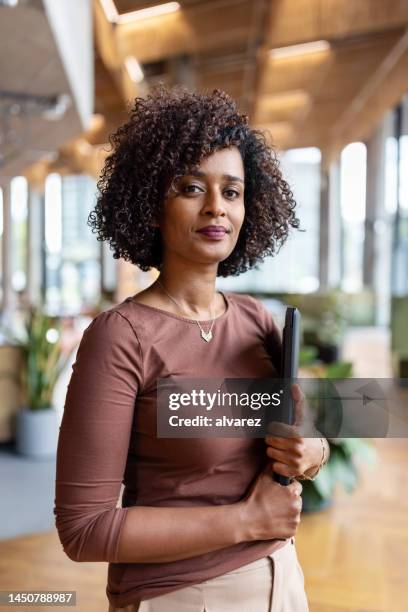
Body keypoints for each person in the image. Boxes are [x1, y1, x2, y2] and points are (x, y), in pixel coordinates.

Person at [54, 85, 329, 612]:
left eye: (232, 191)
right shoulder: (121, 336)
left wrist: (312, 452)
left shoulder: (255, 318)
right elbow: (83, 529)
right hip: (182, 596)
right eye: (190, 187)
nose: (215, 208)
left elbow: (317, 427)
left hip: (283, 581)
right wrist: (246, 520)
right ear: (151, 203)